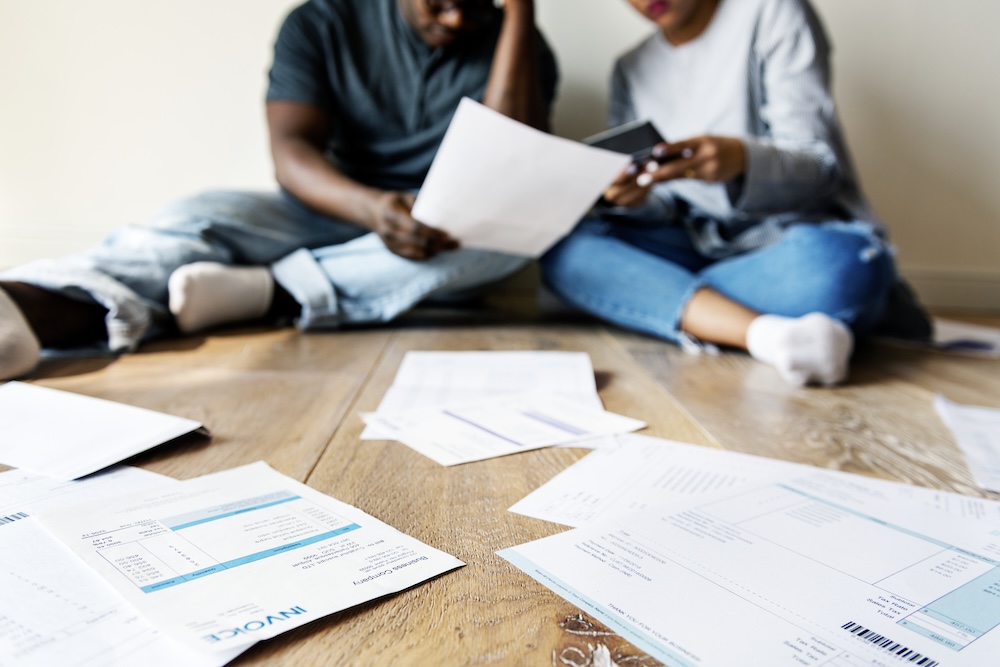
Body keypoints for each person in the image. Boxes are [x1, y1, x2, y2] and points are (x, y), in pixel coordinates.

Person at [0, 0, 558, 381]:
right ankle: (27, 306)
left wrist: (522, 14)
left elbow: (508, 161)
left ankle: (273, 292)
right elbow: (291, 151)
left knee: (508, 236)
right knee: (202, 212)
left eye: (480, 4)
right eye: (439, 2)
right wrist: (370, 207)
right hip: (331, 206)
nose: (458, 18)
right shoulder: (322, 21)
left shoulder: (523, 48)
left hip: (439, 235)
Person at [539, 0, 929, 386]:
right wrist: (635, 199)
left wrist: (742, 160)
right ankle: (768, 335)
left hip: (783, 241)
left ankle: (668, 298)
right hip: (692, 241)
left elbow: (820, 167)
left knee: (845, 265)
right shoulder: (631, 68)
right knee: (565, 248)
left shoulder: (773, 13)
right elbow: (665, 202)